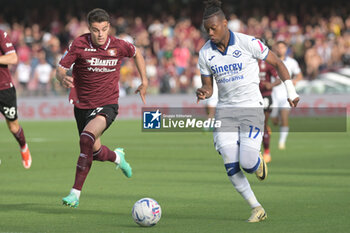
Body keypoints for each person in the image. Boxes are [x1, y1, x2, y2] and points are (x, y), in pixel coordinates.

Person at [196, 0, 299, 222]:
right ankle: (256, 207)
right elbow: (208, 86)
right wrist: (203, 91)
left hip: (251, 108)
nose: (210, 33)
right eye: (207, 30)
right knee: (230, 163)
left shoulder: (248, 42)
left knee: (248, 163)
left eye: (214, 28)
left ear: (225, 23)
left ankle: (256, 161)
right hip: (225, 113)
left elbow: (278, 64)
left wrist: (290, 91)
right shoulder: (205, 53)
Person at [56, 8, 148, 208]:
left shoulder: (118, 45)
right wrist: (62, 77)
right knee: (94, 152)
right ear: (89, 28)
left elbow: (137, 53)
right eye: (96, 30)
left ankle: (75, 193)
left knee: (85, 139)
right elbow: (61, 68)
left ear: (109, 28)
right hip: (82, 106)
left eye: (104, 29)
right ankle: (117, 157)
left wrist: (145, 81)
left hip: (107, 104)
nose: (100, 34)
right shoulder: (79, 44)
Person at [0, 29, 32, 169]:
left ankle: (23, 146)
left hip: (4, 89)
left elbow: (13, 58)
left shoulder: (1, 34)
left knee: (13, 127)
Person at [271, 41, 303, 150]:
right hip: (272, 94)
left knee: (284, 118)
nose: (280, 49)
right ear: (275, 49)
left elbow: (299, 76)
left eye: (282, 47)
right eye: (278, 47)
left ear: (286, 49)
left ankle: (282, 142)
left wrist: (293, 82)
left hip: (285, 95)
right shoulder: (270, 60)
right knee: (274, 121)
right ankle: (275, 119)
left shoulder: (292, 62)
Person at [258, 59, 280, 163]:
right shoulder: (247, 60)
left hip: (265, 96)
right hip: (251, 97)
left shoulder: (267, 63)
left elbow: (279, 79)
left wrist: (271, 85)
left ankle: (267, 151)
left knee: (262, 125)